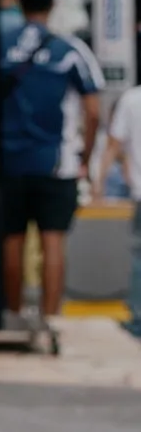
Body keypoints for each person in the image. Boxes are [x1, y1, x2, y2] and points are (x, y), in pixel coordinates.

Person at [0, 0, 103, 332]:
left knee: (10, 239)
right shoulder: (70, 50)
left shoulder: (1, 43)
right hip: (55, 162)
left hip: (7, 159)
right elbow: (93, 109)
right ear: (53, 4)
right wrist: (86, 157)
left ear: (18, 0)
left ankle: (13, 316)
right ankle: (50, 320)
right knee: (52, 241)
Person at [97, 72, 141, 339]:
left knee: (140, 256)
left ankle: (138, 319)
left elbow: (114, 145)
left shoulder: (131, 100)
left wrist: (98, 182)